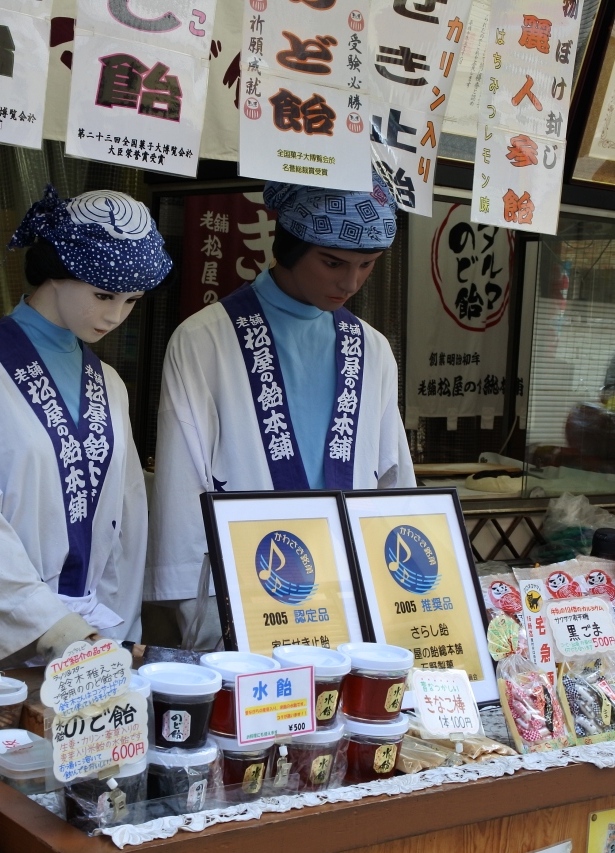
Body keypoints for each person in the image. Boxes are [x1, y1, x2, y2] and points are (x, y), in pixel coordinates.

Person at [146, 172, 416, 648]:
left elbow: (394, 489)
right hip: (241, 598)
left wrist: (395, 596)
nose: (350, 282)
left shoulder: (372, 349)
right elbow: (180, 484)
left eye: (367, 265)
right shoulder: (205, 338)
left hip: (350, 598)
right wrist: (204, 618)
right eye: (333, 262)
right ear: (288, 245)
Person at [0, 186, 172, 666]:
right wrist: (53, 627)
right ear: (55, 273)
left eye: (132, 301)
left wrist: (111, 629)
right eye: (103, 294)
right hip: (6, 643)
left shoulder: (110, 384)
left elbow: (126, 520)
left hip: (99, 634)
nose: (115, 315)